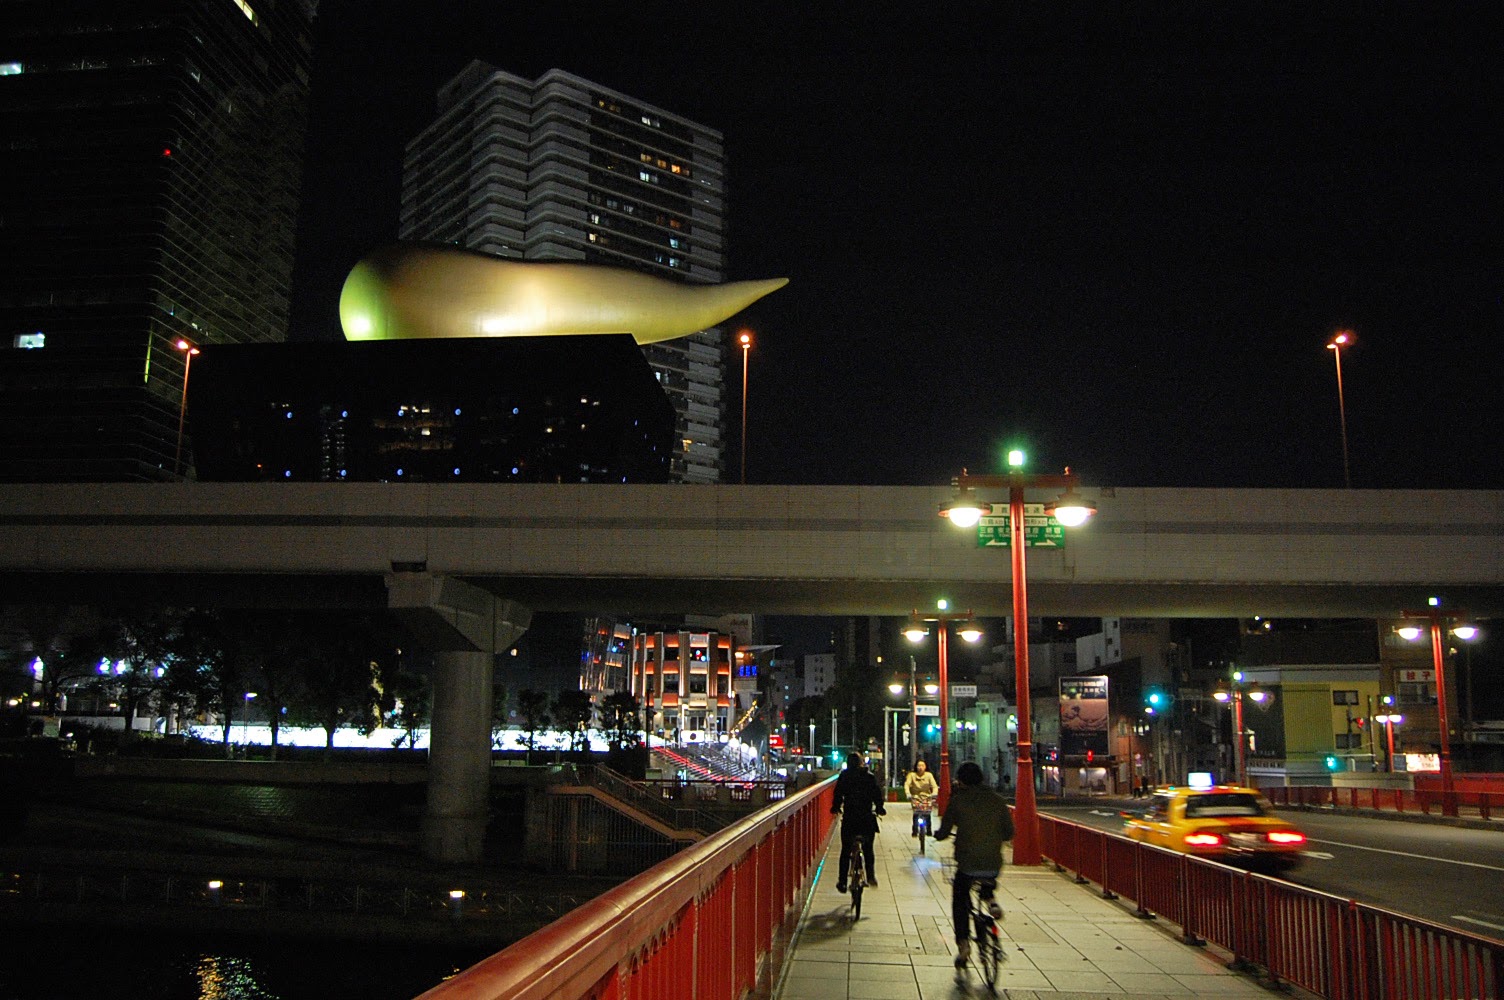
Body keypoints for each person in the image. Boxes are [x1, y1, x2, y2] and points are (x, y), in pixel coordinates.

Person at [935, 761, 1014, 967]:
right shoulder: (998, 800)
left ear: (960, 781)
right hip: (993, 863)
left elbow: (944, 831)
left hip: (967, 863)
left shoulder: (958, 800)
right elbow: (1008, 833)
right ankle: (991, 901)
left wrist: (937, 834)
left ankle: (964, 945)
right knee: (987, 878)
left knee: (960, 898)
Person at [830, 750, 886, 892]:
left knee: (846, 850)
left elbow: (838, 794)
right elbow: (877, 795)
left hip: (850, 818)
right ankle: (871, 875)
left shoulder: (845, 776)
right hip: (866, 818)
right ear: (862, 763)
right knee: (868, 849)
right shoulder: (869, 777)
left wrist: (835, 807)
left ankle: (842, 881)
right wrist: (880, 808)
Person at [903, 759, 939, 836]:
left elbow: (934, 786)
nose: (920, 767)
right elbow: (907, 785)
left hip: (927, 797)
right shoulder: (911, 775)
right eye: (919, 765)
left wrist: (934, 794)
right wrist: (908, 793)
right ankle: (915, 830)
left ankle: (929, 829)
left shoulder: (929, 775)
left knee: (927, 814)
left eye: (922, 765)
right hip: (915, 797)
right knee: (916, 813)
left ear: (925, 767)